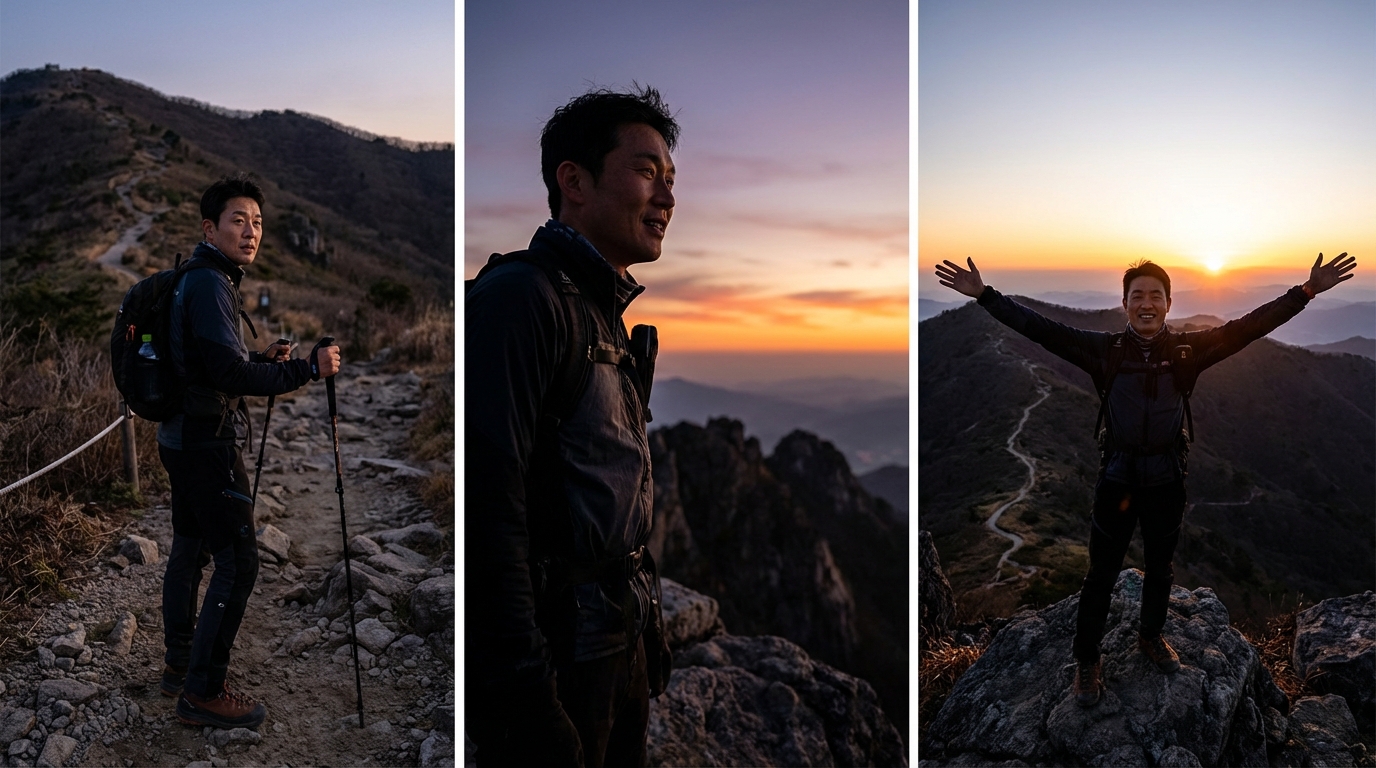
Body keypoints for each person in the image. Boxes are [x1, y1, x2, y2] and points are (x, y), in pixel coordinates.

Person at [934, 252, 1356, 707]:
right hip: (1117, 478)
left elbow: (1248, 328)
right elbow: (1040, 329)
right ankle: (1087, 659)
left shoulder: (1188, 351)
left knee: (1160, 568)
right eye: (1138, 296)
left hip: (1167, 479)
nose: (1147, 303)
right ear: (1125, 303)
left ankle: (1150, 636)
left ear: (1169, 304)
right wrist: (985, 296)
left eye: (1156, 295)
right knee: (1101, 574)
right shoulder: (1105, 351)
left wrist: (1305, 292)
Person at [465, 86, 678, 767]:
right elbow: (487, 508)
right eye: (647, 172)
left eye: (671, 179)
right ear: (574, 182)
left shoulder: (597, 308)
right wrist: (528, 694)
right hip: (561, 657)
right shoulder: (521, 300)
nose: (667, 198)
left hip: (616, 637)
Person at [157, 175, 340, 729]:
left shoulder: (198, 279)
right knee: (238, 562)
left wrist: (262, 358)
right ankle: (203, 692)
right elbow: (229, 376)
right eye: (238, 220)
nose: (251, 231)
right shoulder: (211, 284)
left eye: (257, 222)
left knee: (191, 547)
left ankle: (179, 664)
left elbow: (214, 365)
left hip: (179, 436)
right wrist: (307, 369)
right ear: (209, 229)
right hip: (207, 445)